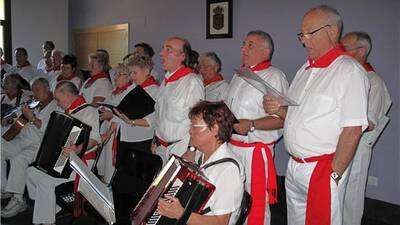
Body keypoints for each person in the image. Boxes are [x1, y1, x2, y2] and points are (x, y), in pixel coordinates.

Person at [263, 5, 369, 225]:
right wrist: (278, 109)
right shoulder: (305, 70)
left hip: (321, 169)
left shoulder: (348, 71)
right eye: (301, 34)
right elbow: (295, 116)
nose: (304, 40)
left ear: (331, 31)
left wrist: (334, 174)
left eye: (310, 33)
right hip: (294, 167)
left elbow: (353, 129)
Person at [224, 30, 288, 225]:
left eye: (250, 45)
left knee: (256, 206)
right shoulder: (240, 75)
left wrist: (252, 125)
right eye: (244, 44)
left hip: (254, 153)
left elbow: (283, 119)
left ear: (265, 50)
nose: (243, 48)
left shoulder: (274, 76)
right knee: (233, 201)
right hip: (232, 147)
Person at [26, 81, 109, 225]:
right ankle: (51, 207)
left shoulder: (89, 110)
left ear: (68, 95)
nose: (57, 103)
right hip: (63, 159)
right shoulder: (66, 112)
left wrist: (78, 149)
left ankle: (47, 220)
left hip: (81, 162)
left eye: (58, 99)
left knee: (45, 182)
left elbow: (95, 139)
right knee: (31, 172)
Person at [158, 101, 244, 225]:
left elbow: (221, 222)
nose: (190, 131)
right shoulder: (201, 155)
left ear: (214, 129)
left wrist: (181, 214)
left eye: (194, 126)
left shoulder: (228, 170)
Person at [341, 32, 392, 225]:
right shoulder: (344, 77)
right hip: (336, 145)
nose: (340, 53)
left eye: (344, 49)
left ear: (361, 51)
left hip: (356, 147)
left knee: (350, 199)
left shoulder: (374, 82)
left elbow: (368, 123)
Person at [1, 78, 60, 218]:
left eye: (37, 90)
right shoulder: (35, 102)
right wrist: (9, 118)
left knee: (18, 160)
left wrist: (32, 118)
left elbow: (50, 130)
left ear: (47, 89)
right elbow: (17, 113)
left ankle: (18, 200)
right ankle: (3, 188)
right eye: (33, 90)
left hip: (38, 146)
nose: (34, 93)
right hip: (21, 140)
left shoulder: (56, 106)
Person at [146, 37, 204, 164]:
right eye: (163, 49)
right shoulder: (165, 82)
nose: (161, 54)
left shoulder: (192, 82)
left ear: (182, 56)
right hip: (161, 149)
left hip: (181, 149)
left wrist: (191, 150)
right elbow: (160, 116)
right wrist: (155, 139)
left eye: (168, 50)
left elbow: (198, 121)